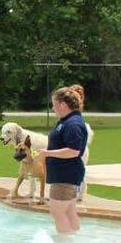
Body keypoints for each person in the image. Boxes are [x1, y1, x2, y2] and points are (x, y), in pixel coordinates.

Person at [36, 84, 89, 234]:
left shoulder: (72, 124)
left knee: (58, 212)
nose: (52, 108)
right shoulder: (69, 121)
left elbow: (73, 151)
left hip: (65, 176)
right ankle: (73, 240)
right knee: (69, 211)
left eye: (54, 104)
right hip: (67, 174)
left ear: (63, 105)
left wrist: (48, 153)